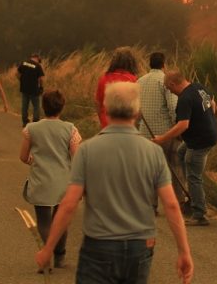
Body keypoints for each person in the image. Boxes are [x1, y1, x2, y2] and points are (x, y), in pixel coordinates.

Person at [34, 81, 194, 284]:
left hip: (99, 245)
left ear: (106, 110)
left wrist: (48, 248)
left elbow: (68, 204)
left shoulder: (87, 150)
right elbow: (171, 205)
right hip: (140, 245)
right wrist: (184, 251)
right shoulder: (152, 151)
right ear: (137, 113)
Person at [19, 90, 81, 272]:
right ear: (62, 107)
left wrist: (34, 161)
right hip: (64, 181)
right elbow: (76, 157)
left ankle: (45, 258)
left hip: (40, 181)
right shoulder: (70, 129)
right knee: (61, 221)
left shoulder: (31, 129)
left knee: (44, 223)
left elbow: (23, 156)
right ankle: (60, 257)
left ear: (43, 106)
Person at [154, 71, 217, 226]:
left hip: (200, 141)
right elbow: (213, 105)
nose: (169, 91)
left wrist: (162, 139)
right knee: (181, 152)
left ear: (172, 84)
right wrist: (208, 121)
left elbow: (183, 125)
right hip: (210, 135)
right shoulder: (199, 87)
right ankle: (191, 193)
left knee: (194, 175)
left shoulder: (185, 98)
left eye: (168, 88)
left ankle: (199, 214)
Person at [137, 52, 187, 210]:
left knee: (149, 169)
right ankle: (179, 201)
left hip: (145, 133)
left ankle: (151, 204)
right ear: (164, 65)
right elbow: (173, 108)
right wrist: (178, 130)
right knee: (175, 165)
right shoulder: (165, 81)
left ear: (149, 64)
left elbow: (137, 110)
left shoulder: (139, 81)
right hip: (166, 133)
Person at [95, 47, 139, 129]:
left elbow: (98, 104)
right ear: (131, 62)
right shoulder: (132, 79)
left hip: (106, 124)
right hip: (126, 126)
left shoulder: (103, 79)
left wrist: (102, 120)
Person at [17, 52, 46, 127]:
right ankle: (35, 121)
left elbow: (17, 74)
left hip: (24, 88)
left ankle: (24, 121)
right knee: (36, 106)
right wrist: (41, 87)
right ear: (37, 58)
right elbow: (41, 78)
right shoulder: (38, 66)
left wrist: (21, 80)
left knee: (24, 105)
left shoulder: (23, 63)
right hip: (34, 89)